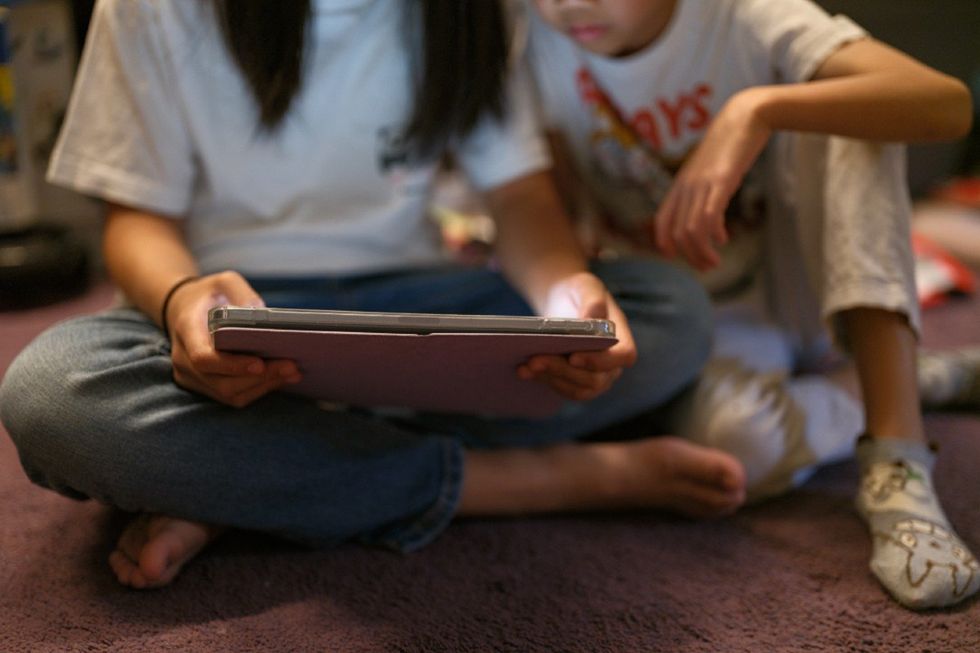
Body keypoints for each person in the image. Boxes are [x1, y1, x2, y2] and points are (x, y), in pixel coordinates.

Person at [0, 0, 756, 591]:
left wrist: (569, 293)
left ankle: (244, 480)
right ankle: (518, 481)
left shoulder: (472, 12)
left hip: (416, 300)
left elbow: (520, 198)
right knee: (51, 394)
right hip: (234, 312)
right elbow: (135, 219)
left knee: (669, 310)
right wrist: (180, 300)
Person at [524, 0, 979, 609]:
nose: (568, 4)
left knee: (855, 106)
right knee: (734, 453)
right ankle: (900, 380)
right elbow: (547, 201)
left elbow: (944, 102)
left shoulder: (741, 13)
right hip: (697, 312)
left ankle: (898, 459)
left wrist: (754, 109)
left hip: (809, 286)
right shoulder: (534, 37)